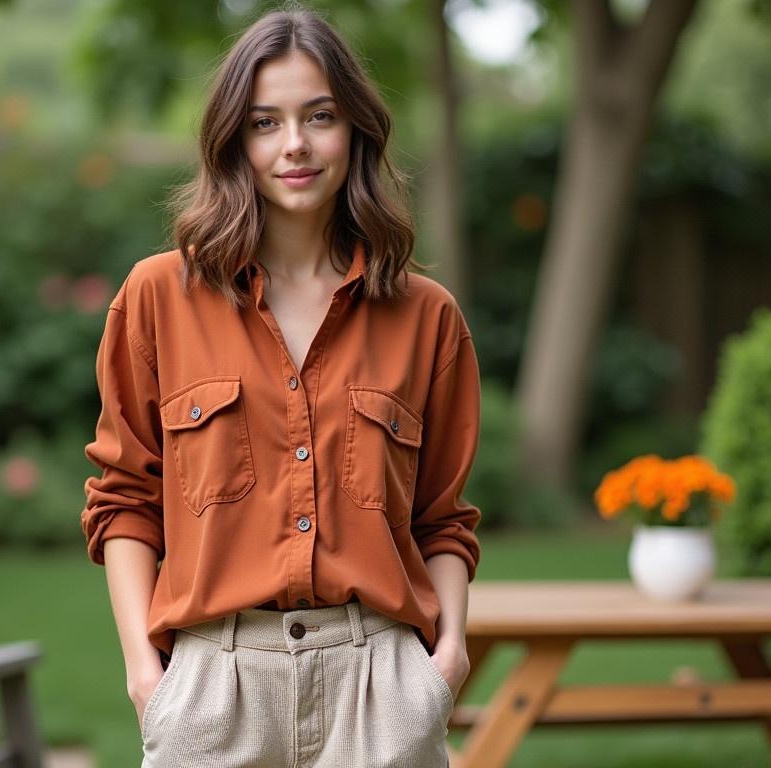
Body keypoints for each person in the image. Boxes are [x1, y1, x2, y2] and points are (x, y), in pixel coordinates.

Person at [80, 3, 482, 766]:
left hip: (381, 691)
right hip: (212, 690)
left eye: (319, 116)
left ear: (356, 129)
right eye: (265, 122)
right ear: (235, 140)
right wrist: (147, 674)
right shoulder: (158, 297)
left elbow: (443, 518)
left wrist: (447, 657)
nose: (294, 145)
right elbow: (125, 499)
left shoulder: (427, 316)